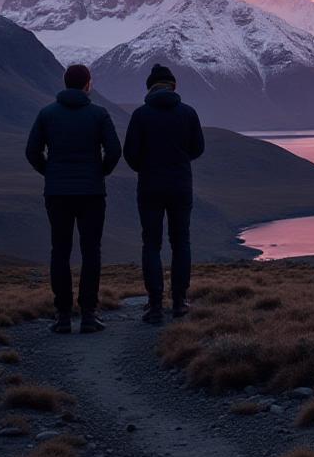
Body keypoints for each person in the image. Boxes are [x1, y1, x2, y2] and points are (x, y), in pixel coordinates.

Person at [25, 63, 120, 334]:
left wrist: (50, 173)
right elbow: (114, 150)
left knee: (60, 251)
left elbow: (32, 151)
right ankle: (89, 314)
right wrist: (99, 173)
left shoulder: (47, 114)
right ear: (88, 84)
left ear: (65, 83)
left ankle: (63, 316)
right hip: (91, 193)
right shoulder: (99, 114)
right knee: (91, 252)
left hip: (57, 193)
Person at [123, 63, 204, 325]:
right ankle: (180, 302)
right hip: (181, 186)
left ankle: (155, 305)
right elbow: (198, 148)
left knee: (151, 244)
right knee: (181, 243)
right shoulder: (188, 113)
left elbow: (131, 155)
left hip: (150, 187)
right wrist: (180, 161)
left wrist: (147, 167)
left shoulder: (140, 115)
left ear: (149, 88)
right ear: (173, 86)